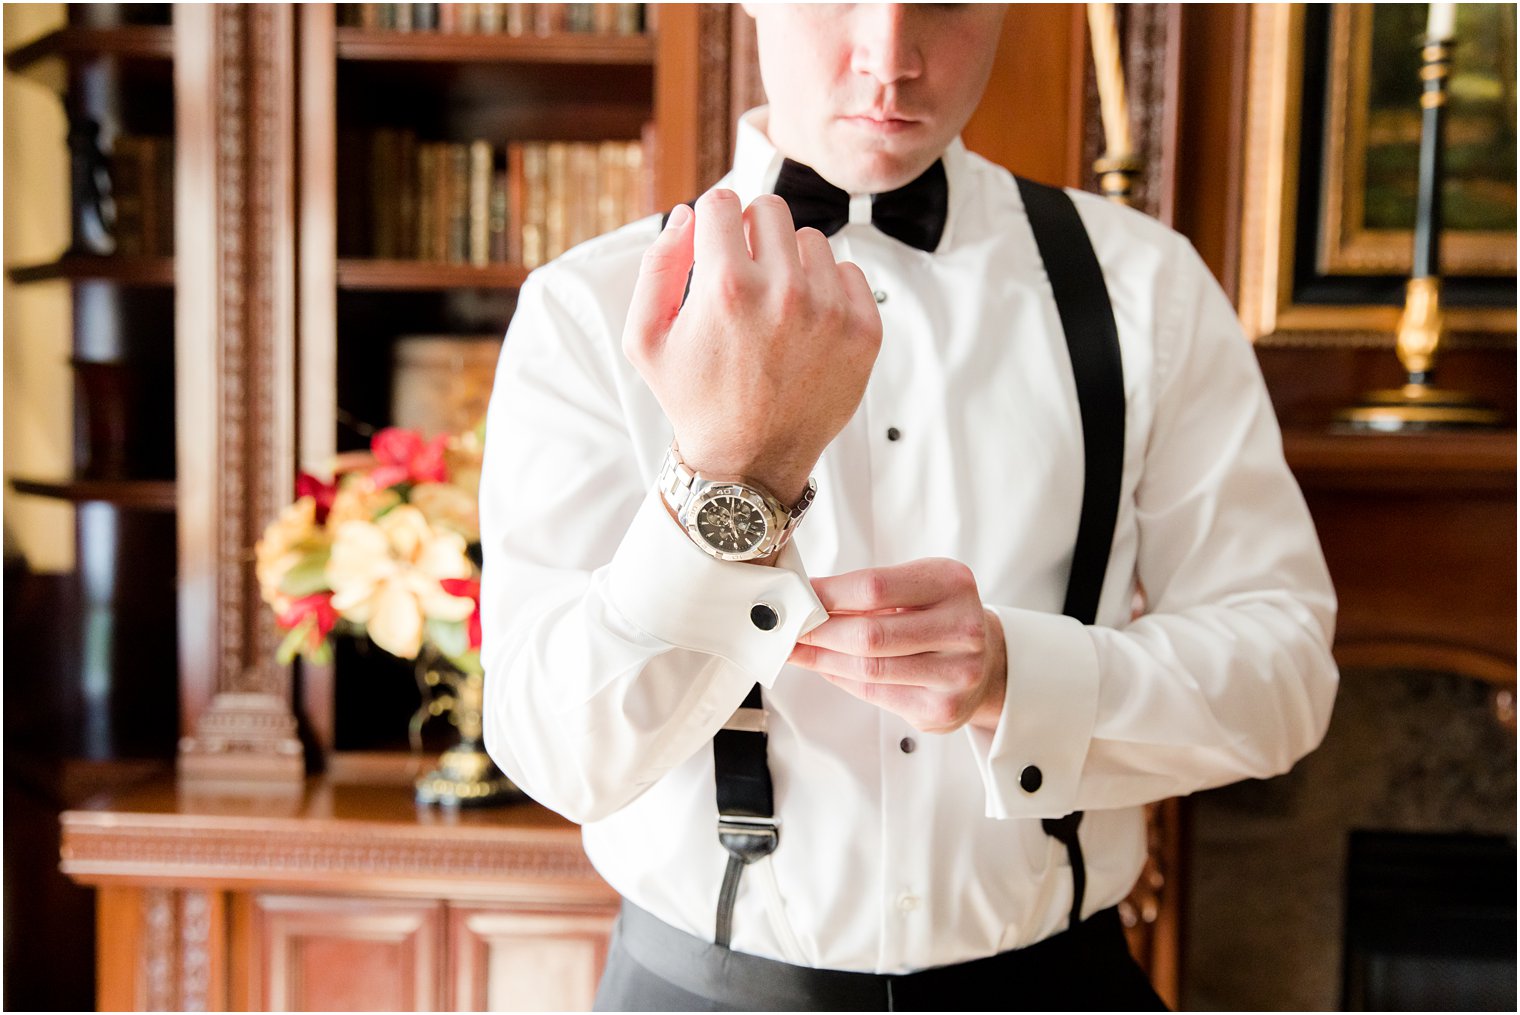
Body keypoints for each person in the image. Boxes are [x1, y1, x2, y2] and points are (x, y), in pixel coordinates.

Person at [480, 4, 1338, 1009]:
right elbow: (558, 754)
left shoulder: (1146, 289)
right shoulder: (586, 309)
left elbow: (1283, 677)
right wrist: (737, 474)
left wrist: (1019, 678)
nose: (889, 60)